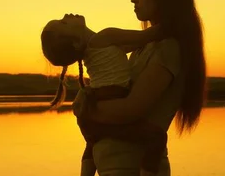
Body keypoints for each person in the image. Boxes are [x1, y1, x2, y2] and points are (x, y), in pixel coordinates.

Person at [73, 0, 207, 176]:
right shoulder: (144, 48)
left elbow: (131, 109)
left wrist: (86, 110)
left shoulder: (169, 48)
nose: (133, 0)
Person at [41, 13, 167, 175]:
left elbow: (131, 45)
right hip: (111, 99)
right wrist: (176, 22)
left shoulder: (97, 46)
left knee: (93, 141)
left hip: (93, 106)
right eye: (64, 23)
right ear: (76, 41)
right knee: (156, 137)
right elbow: (147, 36)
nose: (66, 15)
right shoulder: (106, 37)